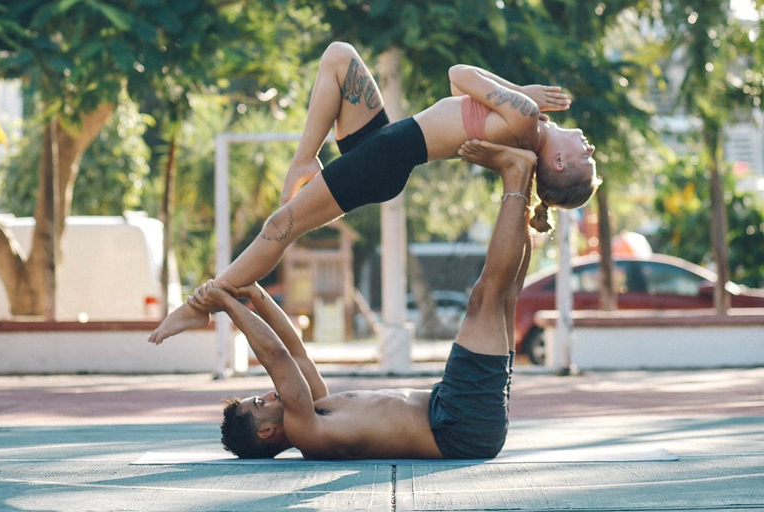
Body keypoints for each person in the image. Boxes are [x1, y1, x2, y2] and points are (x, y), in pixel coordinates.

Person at [148, 41, 599, 345]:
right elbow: (457, 82)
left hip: (384, 161)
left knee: (280, 225)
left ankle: (202, 303)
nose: (589, 146)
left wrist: (522, 93)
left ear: (558, 164)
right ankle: (305, 158)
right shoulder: (524, 123)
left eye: (586, 157)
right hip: (383, 141)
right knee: (339, 56)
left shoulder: (524, 119)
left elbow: (459, 73)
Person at [170, 144, 536, 459]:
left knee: (502, 297)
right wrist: (228, 305)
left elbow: (295, 352)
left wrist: (255, 293)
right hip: (460, 425)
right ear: (266, 433)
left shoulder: (317, 408)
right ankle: (515, 174)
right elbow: (277, 359)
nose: (268, 394)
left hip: (455, 412)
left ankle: (529, 188)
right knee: (484, 298)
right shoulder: (308, 434)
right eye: (261, 404)